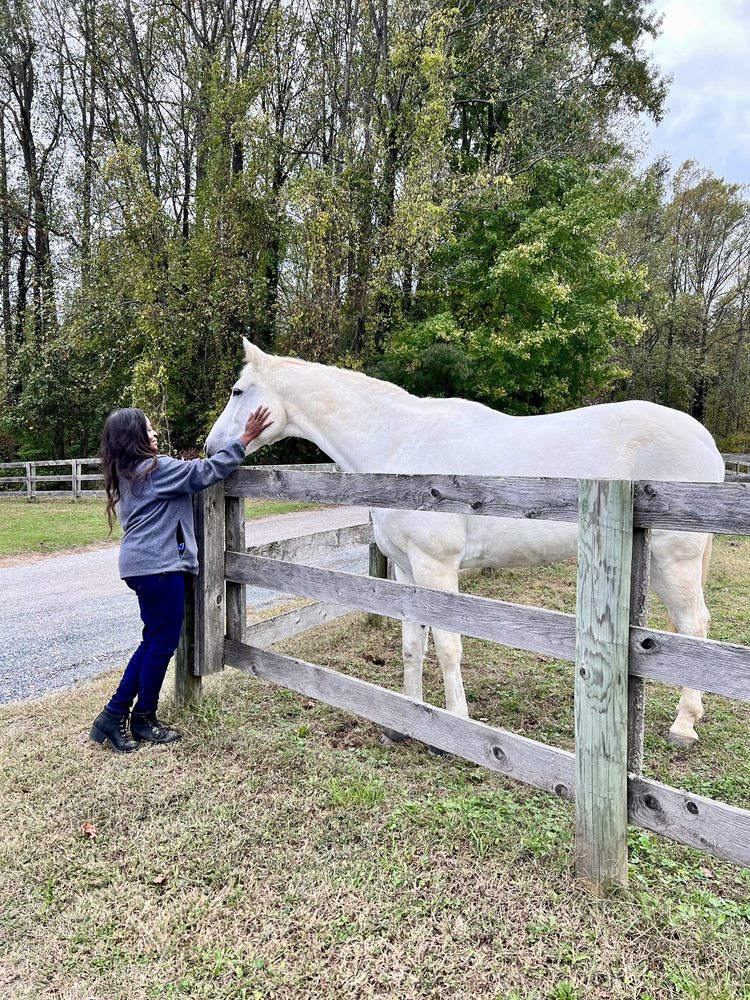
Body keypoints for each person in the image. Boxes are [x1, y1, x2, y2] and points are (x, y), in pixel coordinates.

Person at [90, 405, 272, 753]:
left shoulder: (129, 473)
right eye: (148, 429)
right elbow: (207, 471)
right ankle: (139, 717)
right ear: (133, 438)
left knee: (153, 641)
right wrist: (244, 438)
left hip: (142, 567)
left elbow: (190, 473)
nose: (154, 433)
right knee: (160, 644)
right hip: (158, 567)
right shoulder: (155, 469)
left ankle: (115, 716)